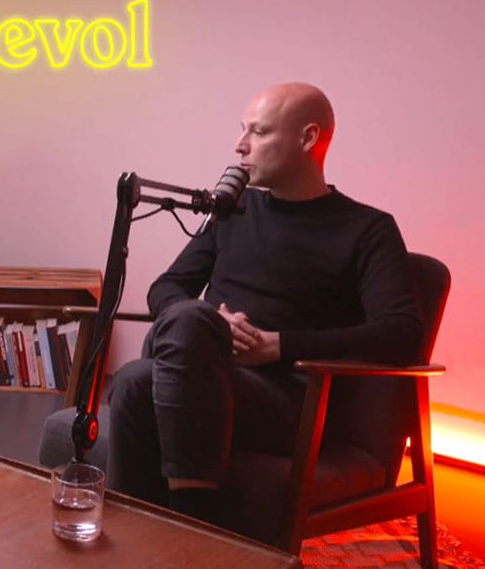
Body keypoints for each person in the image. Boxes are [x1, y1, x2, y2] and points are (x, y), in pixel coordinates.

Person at [106, 82, 423, 528]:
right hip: (201, 370)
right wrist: (215, 323)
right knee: (162, 350)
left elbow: (402, 332)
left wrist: (280, 345)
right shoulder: (234, 210)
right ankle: (160, 541)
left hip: (291, 402)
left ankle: (191, 528)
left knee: (144, 371)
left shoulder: (368, 229)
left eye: (258, 132)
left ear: (308, 138)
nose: (240, 145)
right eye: (243, 130)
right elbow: (167, 287)